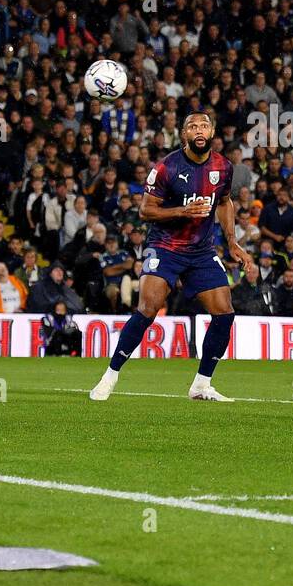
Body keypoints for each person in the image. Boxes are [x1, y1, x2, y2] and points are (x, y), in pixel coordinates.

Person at [89, 112, 250, 403]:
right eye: (192, 127)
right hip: (165, 247)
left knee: (225, 313)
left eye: (203, 126)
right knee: (148, 308)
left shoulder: (223, 167)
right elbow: (146, 211)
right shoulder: (167, 167)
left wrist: (232, 241)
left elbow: (224, 202)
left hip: (201, 251)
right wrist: (181, 211)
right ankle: (110, 376)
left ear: (212, 131)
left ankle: (201, 385)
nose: (198, 131)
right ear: (184, 134)